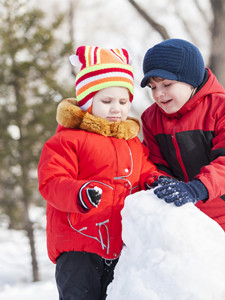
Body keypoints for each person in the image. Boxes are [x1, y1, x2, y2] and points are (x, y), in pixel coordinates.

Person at [38, 46, 162, 300]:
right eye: (106, 101)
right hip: (78, 245)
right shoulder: (69, 140)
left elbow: (145, 170)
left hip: (119, 247)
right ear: (87, 102)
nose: (116, 108)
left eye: (123, 101)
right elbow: (51, 180)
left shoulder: (132, 142)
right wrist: (79, 193)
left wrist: (155, 182)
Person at [140, 39, 225, 273]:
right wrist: (159, 180)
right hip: (184, 221)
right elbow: (154, 162)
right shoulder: (151, 118)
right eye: (152, 87)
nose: (158, 94)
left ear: (190, 79)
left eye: (166, 84)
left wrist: (197, 188)